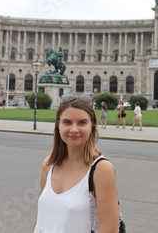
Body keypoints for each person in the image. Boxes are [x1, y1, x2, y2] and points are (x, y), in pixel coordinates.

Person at [33, 95, 119, 232]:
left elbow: (110, 229)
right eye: (67, 122)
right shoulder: (49, 165)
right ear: (58, 126)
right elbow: (41, 218)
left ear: (92, 126)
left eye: (82, 123)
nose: (74, 129)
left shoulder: (101, 169)